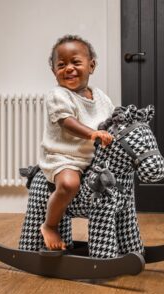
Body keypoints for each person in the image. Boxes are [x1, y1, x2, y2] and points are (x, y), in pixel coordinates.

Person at [39, 35, 115, 250]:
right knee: (69, 184)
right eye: (61, 65)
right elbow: (67, 122)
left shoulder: (101, 97)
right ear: (54, 71)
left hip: (93, 158)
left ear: (91, 66)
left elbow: (113, 120)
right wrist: (93, 134)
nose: (69, 68)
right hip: (64, 157)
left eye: (76, 62)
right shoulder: (58, 95)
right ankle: (49, 225)